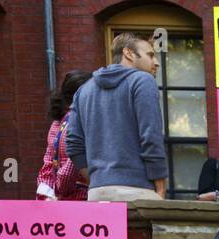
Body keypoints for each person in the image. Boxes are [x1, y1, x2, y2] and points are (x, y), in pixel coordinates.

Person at [65, 33, 167, 201]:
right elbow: (151, 136)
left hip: (97, 192)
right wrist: (161, 190)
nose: (155, 62)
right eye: (150, 55)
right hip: (138, 189)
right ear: (128, 53)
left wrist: (98, 180)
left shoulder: (83, 90)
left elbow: (73, 145)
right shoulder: (143, 80)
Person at [37, 70, 92, 201]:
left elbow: (48, 164)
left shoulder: (57, 123)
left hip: (61, 202)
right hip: (83, 200)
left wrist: (46, 195)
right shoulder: (81, 123)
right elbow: (70, 170)